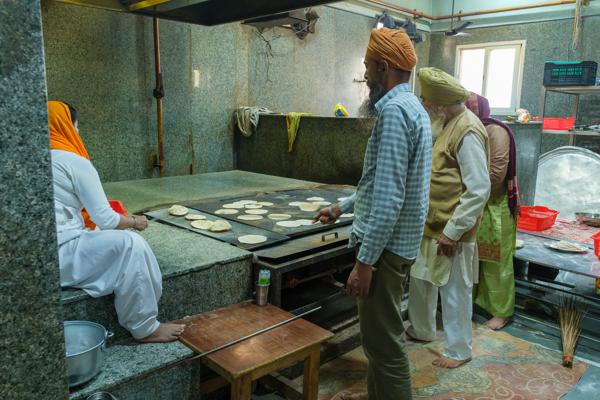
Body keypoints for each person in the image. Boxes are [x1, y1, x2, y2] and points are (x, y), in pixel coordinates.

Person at [315, 28, 432, 400]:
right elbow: (381, 184)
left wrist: (365, 262)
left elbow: (389, 199)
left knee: (385, 349)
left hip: (384, 251)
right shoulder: (414, 108)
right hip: (398, 245)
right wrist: (342, 206)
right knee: (379, 346)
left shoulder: (395, 112)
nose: (365, 77)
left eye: (367, 68)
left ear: (383, 67)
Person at [48, 100, 184, 343]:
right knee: (130, 246)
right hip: (61, 257)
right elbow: (106, 219)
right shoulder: (73, 161)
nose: (79, 133)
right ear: (68, 127)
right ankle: (145, 327)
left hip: (36, 259)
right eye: (77, 127)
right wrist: (134, 221)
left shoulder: (25, 160)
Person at [406, 68, 491, 369]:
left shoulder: (467, 130)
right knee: (421, 280)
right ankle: (422, 329)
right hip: (430, 222)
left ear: (440, 102)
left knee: (454, 291)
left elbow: (479, 189)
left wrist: (453, 232)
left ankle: (459, 350)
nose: (424, 103)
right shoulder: (444, 120)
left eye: (427, 99)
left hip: (452, 229)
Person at [466, 92, 520, 330]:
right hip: (476, 202)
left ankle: (502, 311)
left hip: (495, 207)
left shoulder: (495, 131)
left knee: (496, 261)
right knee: (474, 259)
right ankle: (477, 304)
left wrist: (462, 182)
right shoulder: (468, 128)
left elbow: (497, 175)